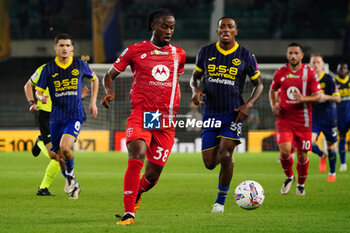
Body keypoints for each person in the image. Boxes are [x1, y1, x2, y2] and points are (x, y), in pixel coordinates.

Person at [101, 9, 186, 225]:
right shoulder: (135, 51)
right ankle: (129, 213)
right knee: (137, 152)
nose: (169, 31)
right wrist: (108, 92)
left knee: (153, 174)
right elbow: (109, 75)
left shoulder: (179, 54)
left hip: (166, 119)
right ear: (152, 26)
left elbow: (176, 81)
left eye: (172, 27)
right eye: (164, 26)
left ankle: (137, 192)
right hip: (142, 114)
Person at [190, 17, 263, 213]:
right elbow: (194, 79)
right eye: (222, 26)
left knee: (225, 154)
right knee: (209, 163)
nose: (226, 29)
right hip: (211, 112)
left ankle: (219, 202)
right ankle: (227, 163)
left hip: (233, 113)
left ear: (236, 31)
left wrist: (248, 104)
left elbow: (259, 84)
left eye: (230, 26)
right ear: (217, 31)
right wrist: (195, 91)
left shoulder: (246, 55)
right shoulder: (205, 52)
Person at [35, 33, 99, 199]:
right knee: (58, 157)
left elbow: (95, 79)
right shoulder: (48, 69)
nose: (65, 48)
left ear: (72, 49)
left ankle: (70, 177)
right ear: (55, 48)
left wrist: (92, 102)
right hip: (56, 117)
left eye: (68, 46)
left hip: (74, 114)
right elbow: (38, 90)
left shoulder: (80, 64)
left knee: (65, 148)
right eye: (61, 45)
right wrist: (41, 98)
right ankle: (74, 185)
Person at [24, 63, 89, 196]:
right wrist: (32, 102)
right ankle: (40, 142)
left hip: (65, 115)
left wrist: (79, 97)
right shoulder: (44, 69)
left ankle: (43, 188)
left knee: (61, 155)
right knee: (54, 155)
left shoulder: (72, 71)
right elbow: (28, 85)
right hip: (47, 116)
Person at [269, 42, 322, 196]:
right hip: (284, 118)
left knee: (302, 155)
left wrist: (303, 98)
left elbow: (318, 96)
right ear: (287, 55)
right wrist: (274, 105)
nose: (293, 56)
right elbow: (272, 90)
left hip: (303, 120)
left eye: (296, 53)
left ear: (301, 55)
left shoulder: (309, 73)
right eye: (290, 53)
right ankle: (289, 177)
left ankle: (300, 184)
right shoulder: (280, 72)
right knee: (285, 152)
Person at [309, 54, 340, 181]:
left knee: (331, 146)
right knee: (309, 143)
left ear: (322, 64)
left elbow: (337, 98)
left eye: (318, 62)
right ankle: (322, 155)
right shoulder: (307, 80)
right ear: (310, 65)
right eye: (314, 62)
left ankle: (332, 173)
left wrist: (323, 96)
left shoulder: (329, 79)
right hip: (314, 117)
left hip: (329, 117)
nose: (316, 64)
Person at [335, 62, 349, 172]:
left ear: (347, 70)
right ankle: (343, 163)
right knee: (342, 139)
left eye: (344, 68)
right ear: (337, 71)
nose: (342, 70)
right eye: (340, 69)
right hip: (340, 117)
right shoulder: (334, 83)